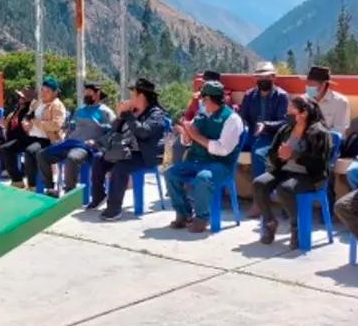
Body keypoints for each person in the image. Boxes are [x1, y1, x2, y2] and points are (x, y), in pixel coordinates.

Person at [252, 95, 332, 249]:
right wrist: (279, 155)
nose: (287, 115)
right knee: (259, 183)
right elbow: (272, 153)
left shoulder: (319, 133)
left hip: (309, 175)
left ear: (304, 113)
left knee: (285, 188)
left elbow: (319, 164)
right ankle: (269, 222)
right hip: (284, 170)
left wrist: (294, 156)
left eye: (291, 111)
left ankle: (297, 227)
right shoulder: (285, 129)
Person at [165, 81, 245, 233]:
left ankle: (202, 218)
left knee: (203, 177)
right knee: (170, 173)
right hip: (196, 160)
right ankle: (184, 213)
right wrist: (186, 135)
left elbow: (223, 150)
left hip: (220, 164)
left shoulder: (232, 119)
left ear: (208, 99)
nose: (201, 101)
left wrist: (196, 136)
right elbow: (188, 140)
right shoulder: (201, 114)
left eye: (203, 98)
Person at [90, 78, 168, 220]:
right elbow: (114, 130)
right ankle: (98, 195)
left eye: (133, 94)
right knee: (99, 159)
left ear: (142, 96)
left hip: (145, 155)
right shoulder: (133, 111)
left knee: (121, 165)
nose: (130, 98)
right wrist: (120, 117)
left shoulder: (156, 114)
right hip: (125, 150)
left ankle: (114, 207)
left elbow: (143, 133)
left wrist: (128, 115)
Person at [36, 82, 115, 197]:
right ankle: (50, 189)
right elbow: (71, 127)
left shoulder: (105, 112)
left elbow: (114, 132)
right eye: (85, 92)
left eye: (89, 93)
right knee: (42, 155)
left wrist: (97, 142)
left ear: (97, 93)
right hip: (70, 143)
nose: (86, 95)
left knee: (72, 158)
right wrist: (64, 137)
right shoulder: (80, 110)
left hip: (86, 145)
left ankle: (70, 193)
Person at [240, 61, 289, 217]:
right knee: (227, 148)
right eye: (259, 78)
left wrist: (266, 125)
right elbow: (243, 117)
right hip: (251, 133)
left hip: (270, 135)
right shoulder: (249, 95)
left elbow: (284, 122)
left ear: (273, 78)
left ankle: (259, 200)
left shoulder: (281, 96)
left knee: (258, 154)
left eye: (266, 77)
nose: (262, 81)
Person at [21, 77, 67, 190]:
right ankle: (17, 180)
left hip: (47, 139)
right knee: (8, 146)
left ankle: (33, 185)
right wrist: (26, 123)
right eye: (42, 90)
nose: (44, 93)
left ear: (55, 92)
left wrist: (37, 123)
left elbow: (56, 125)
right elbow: (28, 116)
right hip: (31, 136)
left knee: (30, 151)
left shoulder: (57, 105)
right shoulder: (37, 103)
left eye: (47, 91)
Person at [174, 70, 229, 162]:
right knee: (177, 145)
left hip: (212, 132)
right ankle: (177, 169)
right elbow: (188, 115)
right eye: (203, 84)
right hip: (194, 129)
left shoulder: (224, 99)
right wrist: (185, 128)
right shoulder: (197, 98)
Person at [0, 89, 38, 184]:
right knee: (3, 148)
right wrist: (4, 125)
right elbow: (11, 126)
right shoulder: (17, 109)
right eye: (19, 97)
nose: (19, 99)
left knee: (5, 149)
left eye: (22, 97)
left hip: (25, 139)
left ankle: (17, 179)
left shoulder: (30, 111)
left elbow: (26, 127)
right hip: (15, 138)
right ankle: (15, 177)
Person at [306, 65, 349, 133]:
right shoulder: (303, 100)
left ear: (323, 85)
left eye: (312, 85)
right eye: (308, 84)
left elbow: (339, 130)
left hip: (329, 141)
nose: (308, 88)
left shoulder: (340, 102)